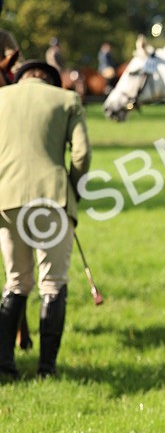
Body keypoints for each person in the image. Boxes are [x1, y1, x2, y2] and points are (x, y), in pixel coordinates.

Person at [0, 60, 91, 379]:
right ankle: (46, 369)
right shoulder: (67, 100)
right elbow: (81, 155)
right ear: (51, 81)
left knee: (16, 281)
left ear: (23, 78)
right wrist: (73, 190)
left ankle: (5, 366)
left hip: (6, 200)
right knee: (52, 283)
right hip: (53, 199)